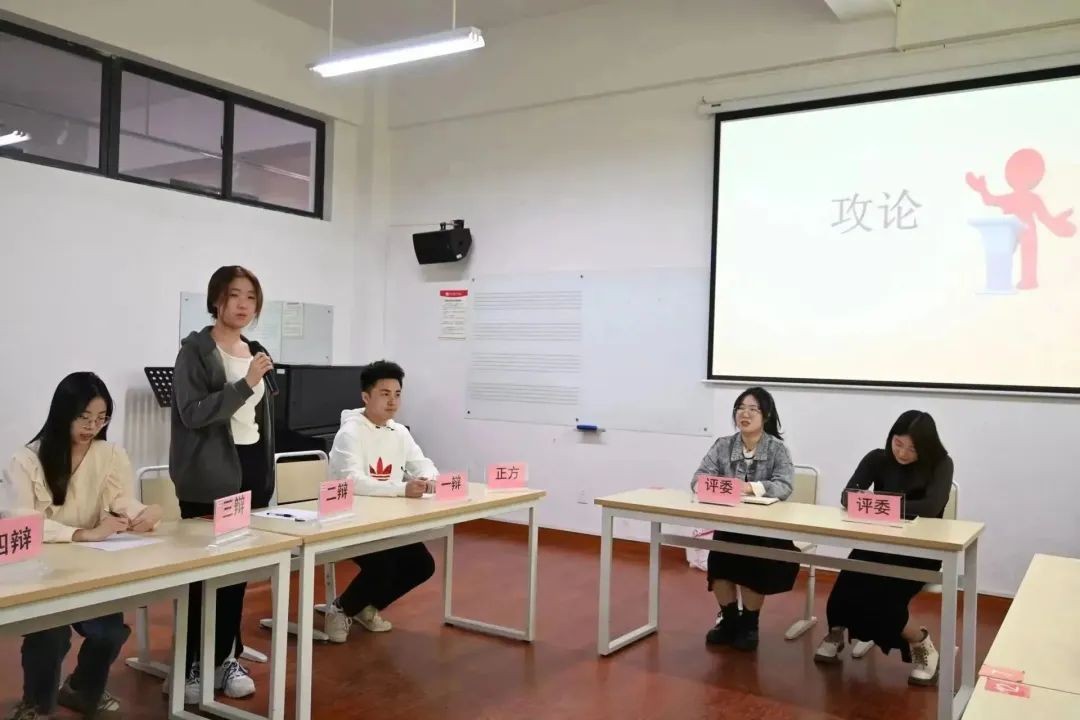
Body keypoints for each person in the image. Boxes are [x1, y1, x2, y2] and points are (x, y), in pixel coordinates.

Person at [5, 372, 163, 720]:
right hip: (39, 571)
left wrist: (143, 513)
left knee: (109, 631)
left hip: (89, 566)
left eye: (101, 418)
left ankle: (81, 689)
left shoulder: (109, 454)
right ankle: (36, 705)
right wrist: (81, 534)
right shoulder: (26, 460)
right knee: (51, 634)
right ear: (63, 414)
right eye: (84, 417)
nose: (93, 427)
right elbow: (22, 523)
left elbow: (119, 498)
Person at [170, 265, 276, 704]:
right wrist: (245, 383)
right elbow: (193, 413)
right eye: (234, 295)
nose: (243, 304)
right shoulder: (195, 352)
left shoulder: (256, 351)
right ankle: (191, 663)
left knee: (235, 574)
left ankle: (224, 658)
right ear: (217, 300)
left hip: (249, 468)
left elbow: (259, 418)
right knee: (202, 576)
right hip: (208, 474)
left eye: (251, 297)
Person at [813, 410, 953, 686]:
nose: (902, 453)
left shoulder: (941, 464)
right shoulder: (877, 458)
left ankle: (922, 643)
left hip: (919, 551)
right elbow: (848, 496)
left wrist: (878, 504)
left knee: (884, 602)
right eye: (898, 444)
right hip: (877, 544)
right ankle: (836, 634)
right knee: (846, 586)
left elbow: (930, 507)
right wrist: (878, 505)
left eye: (912, 449)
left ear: (926, 448)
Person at [322, 360, 438, 642]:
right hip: (348, 519)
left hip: (386, 519)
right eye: (384, 394)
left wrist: (429, 478)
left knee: (422, 565)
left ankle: (365, 607)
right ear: (366, 396)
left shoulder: (399, 432)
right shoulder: (350, 433)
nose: (392, 401)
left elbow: (421, 462)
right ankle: (340, 609)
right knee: (384, 566)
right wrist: (402, 489)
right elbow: (354, 483)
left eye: (397, 394)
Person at [695, 387, 796, 652]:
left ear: (766, 415)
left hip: (764, 529)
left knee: (752, 568)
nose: (745, 414)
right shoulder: (723, 445)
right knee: (720, 567)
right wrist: (725, 487)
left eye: (753, 409)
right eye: (740, 408)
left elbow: (784, 486)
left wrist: (750, 487)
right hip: (729, 524)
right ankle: (729, 621)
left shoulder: (777, 449)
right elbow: (699, 479)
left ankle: (750, 624)